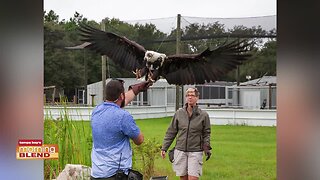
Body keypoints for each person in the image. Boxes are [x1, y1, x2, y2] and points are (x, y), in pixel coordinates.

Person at [90, 79, 151, 180]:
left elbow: (119, 101)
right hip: (116, 175)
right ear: (121, 95)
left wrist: (136, 89)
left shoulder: (96, 110)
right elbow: (139, 140)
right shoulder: (123, 116)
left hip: (97, 174)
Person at [160, 87, 212, 180]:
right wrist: (164, 148)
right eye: (188, 95)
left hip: (196, 150)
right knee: (183, 177)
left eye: (192, 95)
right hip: (180, 150)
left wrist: (207, 147)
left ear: (197, 98)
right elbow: (171, 132)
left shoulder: (203, 115)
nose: (190, 97)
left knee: (193, 178)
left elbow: (206, 133)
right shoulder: (179, 113)